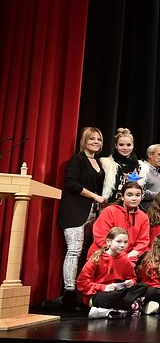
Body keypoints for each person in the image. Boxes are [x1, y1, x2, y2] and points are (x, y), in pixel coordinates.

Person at [56, 126, 105, 306]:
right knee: (74, 250)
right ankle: (69, 293)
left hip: (92, 212)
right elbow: (70, 183)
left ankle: (81, 292)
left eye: (98, 140)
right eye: (92, 139)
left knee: (85, 252)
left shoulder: (97, 161)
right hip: (74, 211)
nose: (96, 142)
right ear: (84, 140)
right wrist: (94, 196)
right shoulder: (77, 159)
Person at [77, 227, 147, 319]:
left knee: (143, 286)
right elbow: (82, 283)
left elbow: (133, 278)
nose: (122, 245)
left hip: (118, 291)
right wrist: (104, 287)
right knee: (112, 296)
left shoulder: (125, 259)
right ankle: (128, 307)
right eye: (118, 242)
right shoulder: (96, 258)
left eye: (125, 242)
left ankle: (118, 310)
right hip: (99, 294)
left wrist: (131, 282)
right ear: (108, 242)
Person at [88, 181, 150, 265]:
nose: (134, 198)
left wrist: (131, 257)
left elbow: (143, 241)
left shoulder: (143, 216)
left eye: (138, 195)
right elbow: (101, 238)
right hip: (107, 253)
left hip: (131, 256)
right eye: (129, 195)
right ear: (122, 197)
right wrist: (121, 256)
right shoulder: (109, 211)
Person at [100, 127, 142, 204]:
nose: (125, 148)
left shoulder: (141, 166)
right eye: (121, 145)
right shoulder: (105, 163)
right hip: (110, 205)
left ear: (133, 146)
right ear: (116, 146)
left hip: (131, 205)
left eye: (128, 145)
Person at [139, 143, 160, 211]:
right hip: (145, 213)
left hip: (156, 214)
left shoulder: (156, 171)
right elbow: (138, 191)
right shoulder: (141, 169)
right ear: (150, 155)